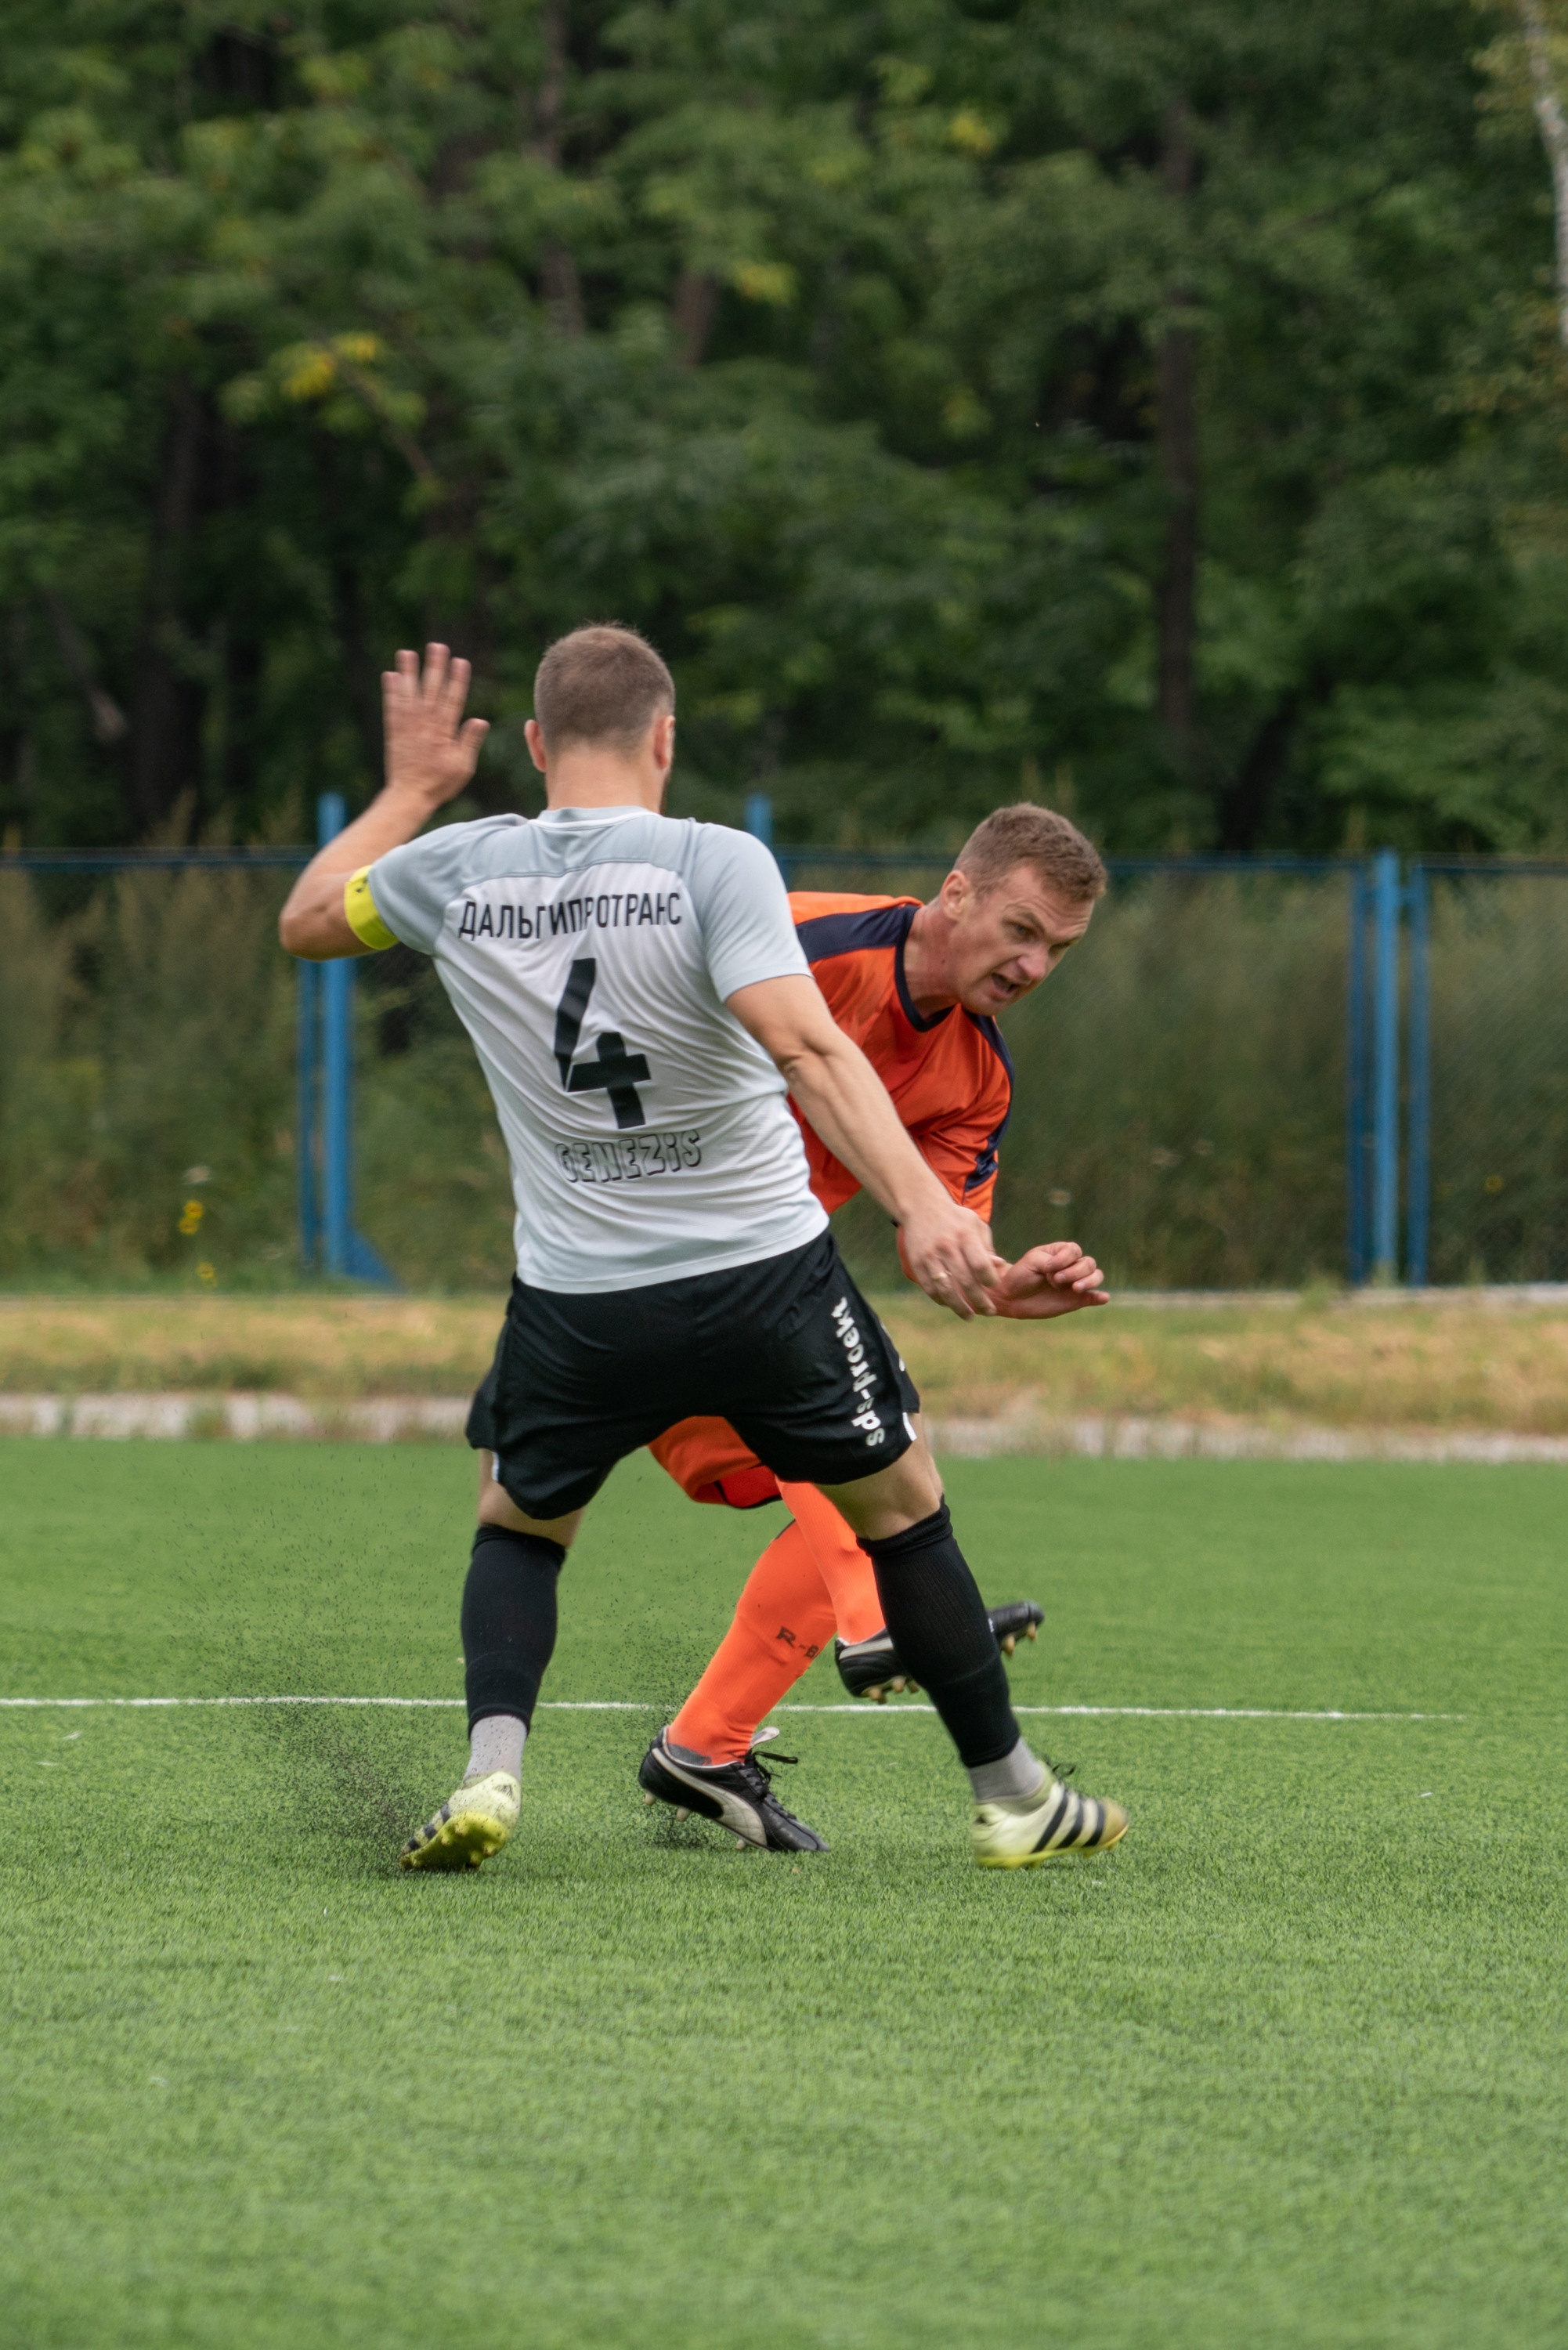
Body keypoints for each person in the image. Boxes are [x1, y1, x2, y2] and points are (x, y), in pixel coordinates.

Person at [277, 628, 1128, 1875]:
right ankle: (998, 1778)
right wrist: (917, 1205)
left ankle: (509, 1770)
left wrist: (410, 793)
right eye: (1020, 930)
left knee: (517, 1525)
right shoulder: (720, 868)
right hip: (757, 1280)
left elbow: (304, 921)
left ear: (530, 744)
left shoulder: (456, 871)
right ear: (667, 741)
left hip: (577, 1296)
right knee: (904, 1504)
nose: (1034, 966)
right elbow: (810, 1054)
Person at [640, 806, 1110, 1850]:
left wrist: (1002, 1282)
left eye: (1059, 951)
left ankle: (705, 1746)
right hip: (628, 1253)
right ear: (957, 892)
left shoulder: (976, 1076)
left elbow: (945, 1246)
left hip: (742, 1300)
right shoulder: (800, 939)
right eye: (1021, 930)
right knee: (865, 1437)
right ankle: (880, 1623)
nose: (1035, 966)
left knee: (884, 1467)